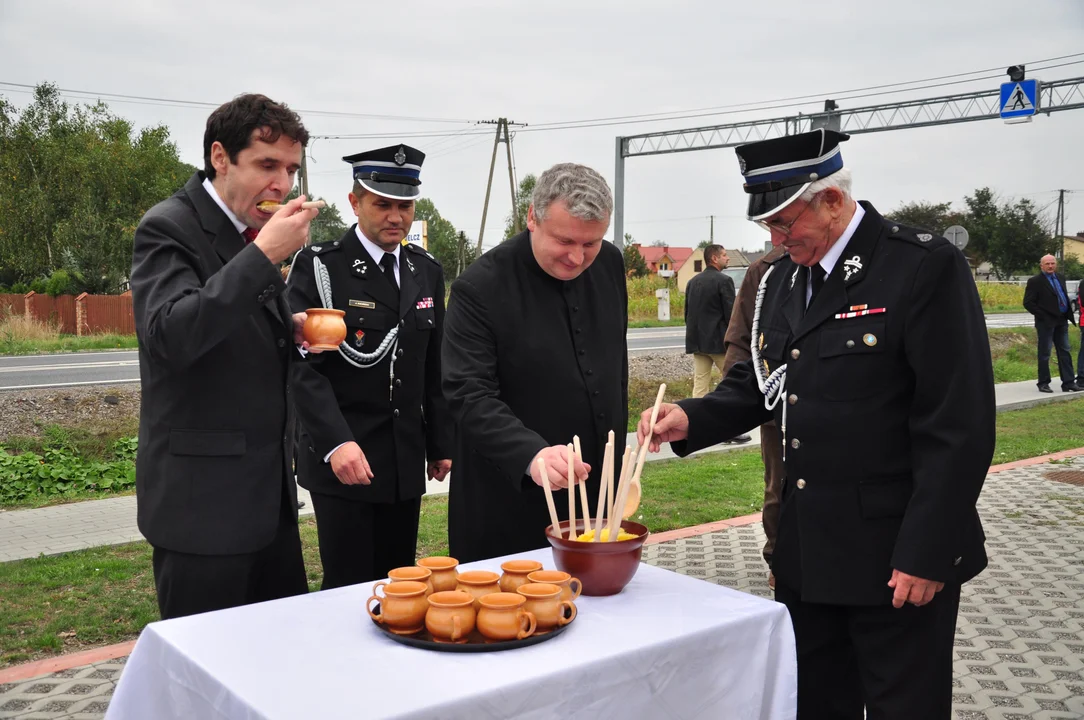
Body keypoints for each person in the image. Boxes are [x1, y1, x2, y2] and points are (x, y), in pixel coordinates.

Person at [636, 129, 996, 718]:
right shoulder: (782, 279)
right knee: (816, 703)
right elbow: (760, 384)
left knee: (902, 707)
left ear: (831, 199)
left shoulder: (921, 267)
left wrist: (927, 552)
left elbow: (959, 424)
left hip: (895, 558)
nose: (775, 240)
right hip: (809, 553)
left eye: (783, 225)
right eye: (766, 229)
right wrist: (690, 419)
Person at [130, 94, 318, 620]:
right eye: (266, 164)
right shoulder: (169, 226)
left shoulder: (248, 234)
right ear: (219, 157)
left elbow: (227, 324)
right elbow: (170, 335)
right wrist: (264, 255)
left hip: (267, 503)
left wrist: (290, 328)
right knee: (206, 683)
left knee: (278, 668)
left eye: (290, 169)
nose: (280, 184)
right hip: (202, 512)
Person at [442, 163, 627, 563]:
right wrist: (531, 455)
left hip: (597, 491)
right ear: (532, 218)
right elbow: (468, 393)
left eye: (591, 243)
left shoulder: (609, 263)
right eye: (564, 241)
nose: (578, 258)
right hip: (510, 495)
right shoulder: (479, 286)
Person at [287, 145, 453, 588]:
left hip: (401, 458)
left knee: (398, 583)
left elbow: (432, 363)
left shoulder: (425, 270)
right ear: (355, 202)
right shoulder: (321, 267)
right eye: (382, 204)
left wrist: (439, 442)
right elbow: (301, 368)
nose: (396, 216)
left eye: (405, 205)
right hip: (344, 456)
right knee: (349, 583)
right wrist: (335, 443)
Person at [722, 243, 786, 589]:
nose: (779, 235)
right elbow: (740, 340)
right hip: (777, 410)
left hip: (836, 414)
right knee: (778, 488)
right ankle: (778, 558)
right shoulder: (764, 270)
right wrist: (727, 407)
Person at [684, 244, 751, 444]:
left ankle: (696, 429)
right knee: (732, 385)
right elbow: (733, 315)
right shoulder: (724, 281)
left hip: (697, 343)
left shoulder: (692, 282)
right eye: (724, 255)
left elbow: (687, 314)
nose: (727, 258)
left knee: (700, 386)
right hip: (719, 343)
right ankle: (728, 431)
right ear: (714, 258)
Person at [1023, 255, 1081, 393]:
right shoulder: (1035, 281)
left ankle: (1068, 382)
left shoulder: (1060, 277)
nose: (1050, 266)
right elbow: (1028, 303)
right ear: (1041, 265)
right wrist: (1043, 315)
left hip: (1062, 320)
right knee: (1045, 353)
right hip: (1046, 322)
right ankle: (1043, 382)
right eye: (1047, 263)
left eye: (1052, 263)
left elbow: (1062, 295)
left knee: (1065, 351)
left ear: (1056, 264)